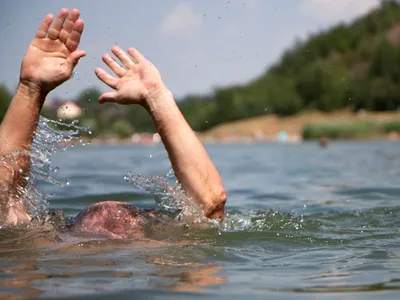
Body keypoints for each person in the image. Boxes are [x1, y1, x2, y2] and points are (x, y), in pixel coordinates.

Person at [0, 9, 226, 238]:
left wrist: (31, 89)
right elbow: (209, 205)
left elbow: (210, 205)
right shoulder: (164, 252)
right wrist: (31, 88)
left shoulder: (46, 246)